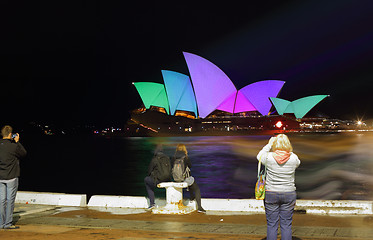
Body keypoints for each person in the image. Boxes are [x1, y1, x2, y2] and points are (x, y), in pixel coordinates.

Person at [257, 134, 300, 240]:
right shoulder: (294, 157)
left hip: (271, 193)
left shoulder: (268, 157)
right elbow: (298, 163)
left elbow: (259, 156)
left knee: (272, 224)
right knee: (286, 224)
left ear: (274, 144)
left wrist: (269, 144)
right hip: (289, 193)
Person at [0, 125, 27, 229]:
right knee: (9, 200)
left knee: (1, 200)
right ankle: (8, 223)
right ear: (11, 134)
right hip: (11, 176)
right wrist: (17, 142)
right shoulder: (14, 146)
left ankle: (1, 223)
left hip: (0, 177)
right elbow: (24, 153)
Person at [172, 144, 205, 213]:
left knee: (189, 181)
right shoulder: (185, 157)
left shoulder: (174, 157)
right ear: (184, 149)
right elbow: (190, 166)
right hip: (185, 179)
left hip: (176, 179)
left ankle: (192, 197)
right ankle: (199, 207)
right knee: (196, 188)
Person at [144, 144, 171, 210]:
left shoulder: (155, 159)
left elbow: (149, 171)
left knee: (147, 180)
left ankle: (152, 204)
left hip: (158, 180)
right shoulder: (167, 158)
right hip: (168, 179)